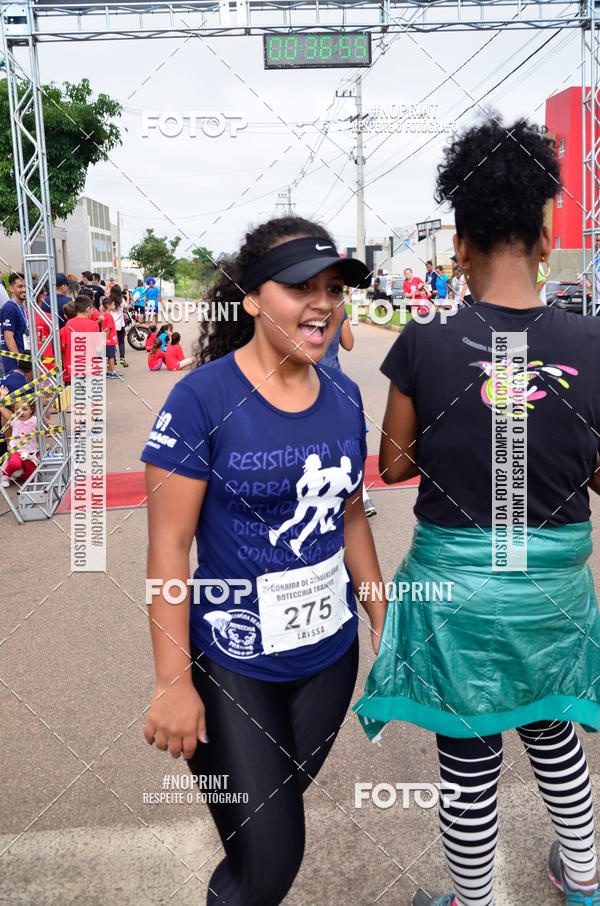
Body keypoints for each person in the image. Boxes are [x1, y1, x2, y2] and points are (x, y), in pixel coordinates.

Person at [355, 118, 600, 906]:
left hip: (455, 594)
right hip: (552, 590)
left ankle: (475, 899)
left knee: (467, 757)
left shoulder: (424, 341)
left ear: (458, 246)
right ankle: (585, 882)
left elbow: (395, 465)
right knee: (553, 733)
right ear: (547, 236)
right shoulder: (593, 341)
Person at [141, 216, 386, 906]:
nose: (322, 303)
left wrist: (383, 618)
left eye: (333, 288)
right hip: (232, 664)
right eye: (300, 286)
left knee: (259, 853)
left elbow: (351, 514)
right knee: (270, 862)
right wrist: (171, 681)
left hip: (328, 660)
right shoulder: (202, 399)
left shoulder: (344, 395)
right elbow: (168, 546)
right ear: (251, 298)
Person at [319, 305, 377, 519]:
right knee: (348, 437)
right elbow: (349, 343)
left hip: (304, 380)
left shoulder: (295, 306)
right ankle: (361, 494)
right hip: (335, 380)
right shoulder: (337, 307)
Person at [0, 392, 48, 488]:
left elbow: (45, 425)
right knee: (15, 464)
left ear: (31, 410)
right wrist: (2, 397)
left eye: (25, 409)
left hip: (30, 452)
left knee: (32, 478)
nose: (21, 412)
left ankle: (19, 473)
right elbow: (2, 408)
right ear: (14, 411)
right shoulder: (14, 420)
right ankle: (5, 476)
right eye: (17, 410)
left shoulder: (35, 420)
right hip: (16, 450)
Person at [59, 296, 100, 385]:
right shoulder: (94, 325)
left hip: (73, 368)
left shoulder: (68, 324)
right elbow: (98, 348)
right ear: (88, 309)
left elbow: (64, 345)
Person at [0, 272, 30, 375]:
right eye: (20, 286)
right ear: (11, 288)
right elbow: (8, 336)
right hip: (14, 364)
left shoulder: (21, 307)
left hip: (24, 361)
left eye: (25, 286)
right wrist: (19, 359)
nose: (24, 289)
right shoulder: (10, 308)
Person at [110, 284, 129, 368]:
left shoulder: (109, 300)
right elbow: (126, 308)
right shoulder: (121, 300)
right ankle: (122, 358)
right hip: (120, 324)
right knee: (121, 341)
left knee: (112, 342)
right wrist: (127, 297)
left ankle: (113, 360)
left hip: (112, 324)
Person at [101, 297, 120, 379]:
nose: (114, 306)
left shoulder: (104, 315)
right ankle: (112, 371)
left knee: (109, 356)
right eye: (113, 305)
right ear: (108, 306)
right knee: (111, 356)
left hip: (108, 339)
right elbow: (108, 328)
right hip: (110, 340)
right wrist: (105, 339)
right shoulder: (108, 316)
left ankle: (109, 371)